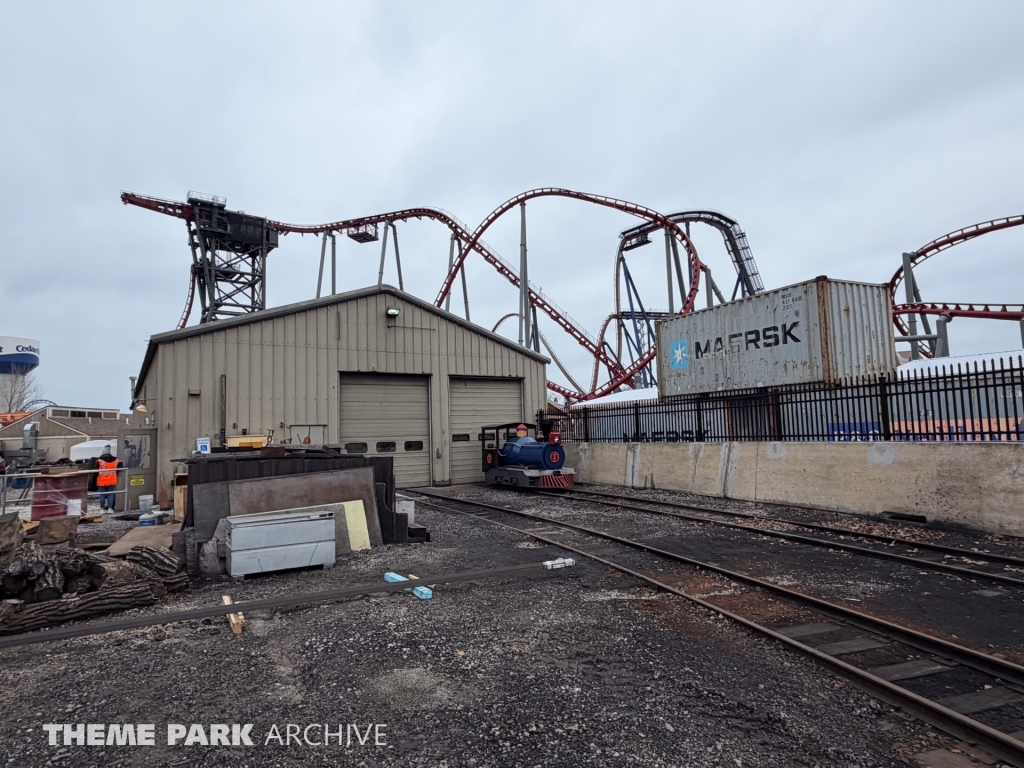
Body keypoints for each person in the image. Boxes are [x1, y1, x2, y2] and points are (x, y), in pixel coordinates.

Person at [96, 446, 121, 512]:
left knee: (102, 495)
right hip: (112, 480)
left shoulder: (99, 461)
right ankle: (110, 509)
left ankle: (102, 509)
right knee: (111, 495)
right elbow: (119, 469)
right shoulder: (116, 460)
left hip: (102, 481)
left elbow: (95, 471)